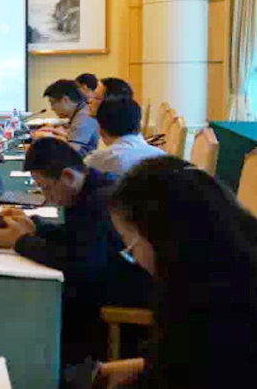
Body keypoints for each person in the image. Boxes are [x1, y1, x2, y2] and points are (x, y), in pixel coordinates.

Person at [0, 137, 150, 366]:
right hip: (105, 278)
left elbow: (79, 264)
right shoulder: (88, 188)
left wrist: (20, 242)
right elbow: (76, 238)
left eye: (46, 188)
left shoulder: (100, 202)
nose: (46, 197)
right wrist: (35, 226)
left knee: (33, 311)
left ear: (68, 176)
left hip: (117, 299)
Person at [98, 156, 257, 388]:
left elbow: (184, 371)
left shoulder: (206, 305)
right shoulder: (229, 261)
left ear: (161, 238)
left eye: (130, 246)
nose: (136, 259)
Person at [85, 98, 165, 176]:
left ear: (101, 130)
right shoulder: (163, 157)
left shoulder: (96, 161)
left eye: (97, 97)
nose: (90, 101)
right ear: (139, 126)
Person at [35, 79, 99, 157]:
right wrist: (53, 131)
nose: (52, 108)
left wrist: (47, 138)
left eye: (52, 103)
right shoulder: (80, 111)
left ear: (65, 100)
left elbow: (71, 151)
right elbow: (69, 136)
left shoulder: (83, 117)